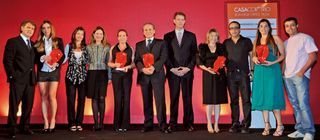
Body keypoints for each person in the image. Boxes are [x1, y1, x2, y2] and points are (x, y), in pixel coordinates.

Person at [283, 17, 318, 140]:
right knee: (295, 104)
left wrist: (302, 72)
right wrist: (283, 74)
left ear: (297, 25)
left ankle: (309, 131)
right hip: (287, 77)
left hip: (300, 77)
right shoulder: (285, 43)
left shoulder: (305, 38)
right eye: (287, 26)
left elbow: (313, 57)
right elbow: (285, 61)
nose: (289, 28)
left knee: (303, 104)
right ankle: (300, 129)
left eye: (292, 25)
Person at [164, 12, 197, 132]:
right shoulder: (167, 36)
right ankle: (172, 123)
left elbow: (194, 54)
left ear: (185, 21)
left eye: (182, 19)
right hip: (173, 72)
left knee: (187, 98)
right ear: (174, 21)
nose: (180, 21)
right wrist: (172, 69)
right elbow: (165, 55)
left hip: (187, 72)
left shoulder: (191, 36)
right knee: (173, 98)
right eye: (178, 19)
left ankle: (188, 123)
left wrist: (187, 68)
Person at [251, 19, 286, 136]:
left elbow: (283, 56)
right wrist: (254, 59)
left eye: (266, 26)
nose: (263, 28)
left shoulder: (275, 38)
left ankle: (280, 125)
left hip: (272, 70)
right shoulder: (256, 40)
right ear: (258, 28)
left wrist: (272, 62)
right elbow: (253, 56)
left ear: (269, 27)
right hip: (260, 72)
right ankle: (267, 124)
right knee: (262, 98)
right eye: (261, 26)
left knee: (273, 97)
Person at [134, 23, 171, 133]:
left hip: (157, 75)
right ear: (143, 32)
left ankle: (162, 125)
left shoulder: (161, 43)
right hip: (144, 76)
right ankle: (148, 124)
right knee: (146, 101)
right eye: (146, 29)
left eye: (150, 29)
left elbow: (164, 56)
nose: (148, 31)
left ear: (154, 31)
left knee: (160, 101)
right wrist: (142, 69)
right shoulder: (139, 45)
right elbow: (137, 60)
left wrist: (154, 67)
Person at [3, 20, 37, 138]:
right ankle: (12, 128)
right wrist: (13, 76)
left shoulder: (33, 44)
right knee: (14, 105)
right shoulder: (13, 41)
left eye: (32, 29)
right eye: (28, 27)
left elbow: (35, 61)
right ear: (21, 28)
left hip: (31, 80)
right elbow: (7, 60)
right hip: (18, 79)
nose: (30, 30)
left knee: (28, 105)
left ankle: (25, 127)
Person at [34, 20, 65, 133]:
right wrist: (42, 58)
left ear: (51, 29)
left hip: (53, 72)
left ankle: (52, 121)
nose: (46, 30)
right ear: (41, 30)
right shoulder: (37, 43)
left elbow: (62, 55)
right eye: (44, 28)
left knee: (52, 96)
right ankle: (46, 122)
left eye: (48, 27)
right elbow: (35, 59)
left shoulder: (58, 40)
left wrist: (57, 63)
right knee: (43, 96)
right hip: (42, 72)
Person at [223, 21, 252, 133]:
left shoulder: (246, 41)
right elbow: (222, 58)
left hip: (244, 74)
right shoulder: (226, 42)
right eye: (231, 28)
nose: (234, 30)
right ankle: (235, 123)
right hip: (230, 75)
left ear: (240, 29)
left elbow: (251, 55)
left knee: (246, 100)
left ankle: (246, 124)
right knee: (234, 100)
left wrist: (252, 69)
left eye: (236, 28)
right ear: (229, 30)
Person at [197, 28, 228, 133]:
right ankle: (209, 123)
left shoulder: (221, 47)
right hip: (208, 75)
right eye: (212, 36)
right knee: (210, 101)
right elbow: (199, 62)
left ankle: (216, 124)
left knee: (217, 102)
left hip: (219, 76)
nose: (214, 38)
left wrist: (223, 64)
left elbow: (225, 59)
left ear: (217, 37)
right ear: (208, 37)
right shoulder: (202, 47)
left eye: (215, 36)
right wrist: (208, 70)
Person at [108, 29, 135, 132]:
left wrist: (128, 66)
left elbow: (134, 64)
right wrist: (115, 65)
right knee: (118, 98)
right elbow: (109, 63)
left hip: (127, 75)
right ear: (117, 37)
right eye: (120, 35)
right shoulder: (113, 48)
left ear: (127, 37)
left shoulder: (130, 49)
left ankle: (125, 125)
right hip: (116, 76)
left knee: (126, 98)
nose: (122, 37)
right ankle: (117, 125)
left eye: (124, 35)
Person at [63, 26, 88, 132]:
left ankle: (79, 122)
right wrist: (53, 62)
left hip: (83, 76)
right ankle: (72, 122)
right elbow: (63, 59)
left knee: (82, 100)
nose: (79, 36)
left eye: (82, 34)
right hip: (70, 76)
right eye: (78, 33)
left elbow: (89, 61)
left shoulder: (86, 47)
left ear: (83, 36)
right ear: (74, 35)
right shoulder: (68, 46)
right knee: (71, 100)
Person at [86, 26, 111, 131]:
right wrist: (90, 64)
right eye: (97, 33)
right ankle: (96, 123)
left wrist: (109, 77)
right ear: (94, 35)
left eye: (101, 34)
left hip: (103, 73)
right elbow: (85, 60)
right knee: (94, 98)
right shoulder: (88, 47)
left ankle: (102, 123)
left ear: (103, 35)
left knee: (101, 98)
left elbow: (109, 62)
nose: (99, 35)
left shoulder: (107, 47)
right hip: (91, 73)